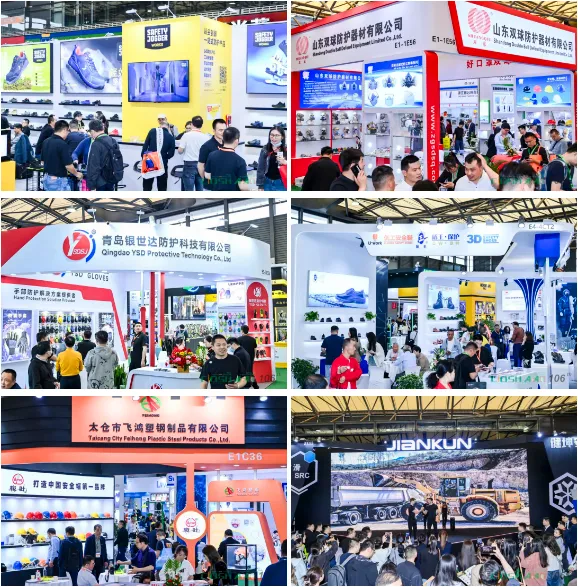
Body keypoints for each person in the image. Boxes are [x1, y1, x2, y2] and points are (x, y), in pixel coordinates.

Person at [41, 119, 83, 191]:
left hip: (46, 178)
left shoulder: (45, 141)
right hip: (58, 181)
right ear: (64, 130)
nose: (68, 133)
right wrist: (77, 174)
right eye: (68, 131)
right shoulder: (62, 144)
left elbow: (42, 161)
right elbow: (68, 166)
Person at [205, 126, 250, 191]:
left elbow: (207, 175)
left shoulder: (211, 155)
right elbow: (242, 186)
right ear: (236, 141)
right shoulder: (240, 161)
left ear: (223, 139)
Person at [85, 119, 122, 191]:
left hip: (100, 181)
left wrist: (92, 185)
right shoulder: (113, 141)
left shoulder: (96, 144)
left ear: (92, 131)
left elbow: (94, 166)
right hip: (111, 178)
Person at [141, 118, 175, 191]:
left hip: (150, 161)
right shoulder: (171, 137)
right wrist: (164, 157)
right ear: (168, 127)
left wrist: (144, 158)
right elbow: (171, 154)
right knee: (162, 187)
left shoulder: (153, 131)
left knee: (147, 187)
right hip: (162, 163)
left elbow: (145, 146)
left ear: (160, 126)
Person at [177, 115, 207, 191]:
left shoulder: (186, 135)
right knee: (200, 189)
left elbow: (180, 151)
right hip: (201, 165)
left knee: (189, 190)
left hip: (189, 165)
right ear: (201, 125)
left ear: (192, 124)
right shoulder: (205, 137)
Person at [198, 118, 227, 187]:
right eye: (220, 130)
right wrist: (205, 180)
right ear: (214, 131)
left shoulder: (227, 144)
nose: (223, 132)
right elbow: (200, 166)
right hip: (211, 184)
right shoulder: (206, 146)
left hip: (225, 182)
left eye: (225, 130)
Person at [257, 126, 287, 191]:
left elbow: (293, 167)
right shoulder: (265, 149)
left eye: (277, 135)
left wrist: (285, 162)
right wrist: (260, 185)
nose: (274, 138)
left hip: (281, 182)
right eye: (272, 135)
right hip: (267, 182)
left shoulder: (286, 150)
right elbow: (260, 168)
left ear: (282, 137)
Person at [237, 325, 258, 389]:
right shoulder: (253, 339)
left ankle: (245, 385)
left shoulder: (238, 339)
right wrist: (253, 358)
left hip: (241, 359)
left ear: (242, 331)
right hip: (250, 358)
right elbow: (255, 349)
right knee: (250, 373)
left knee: (242, 373)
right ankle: (255, 385)